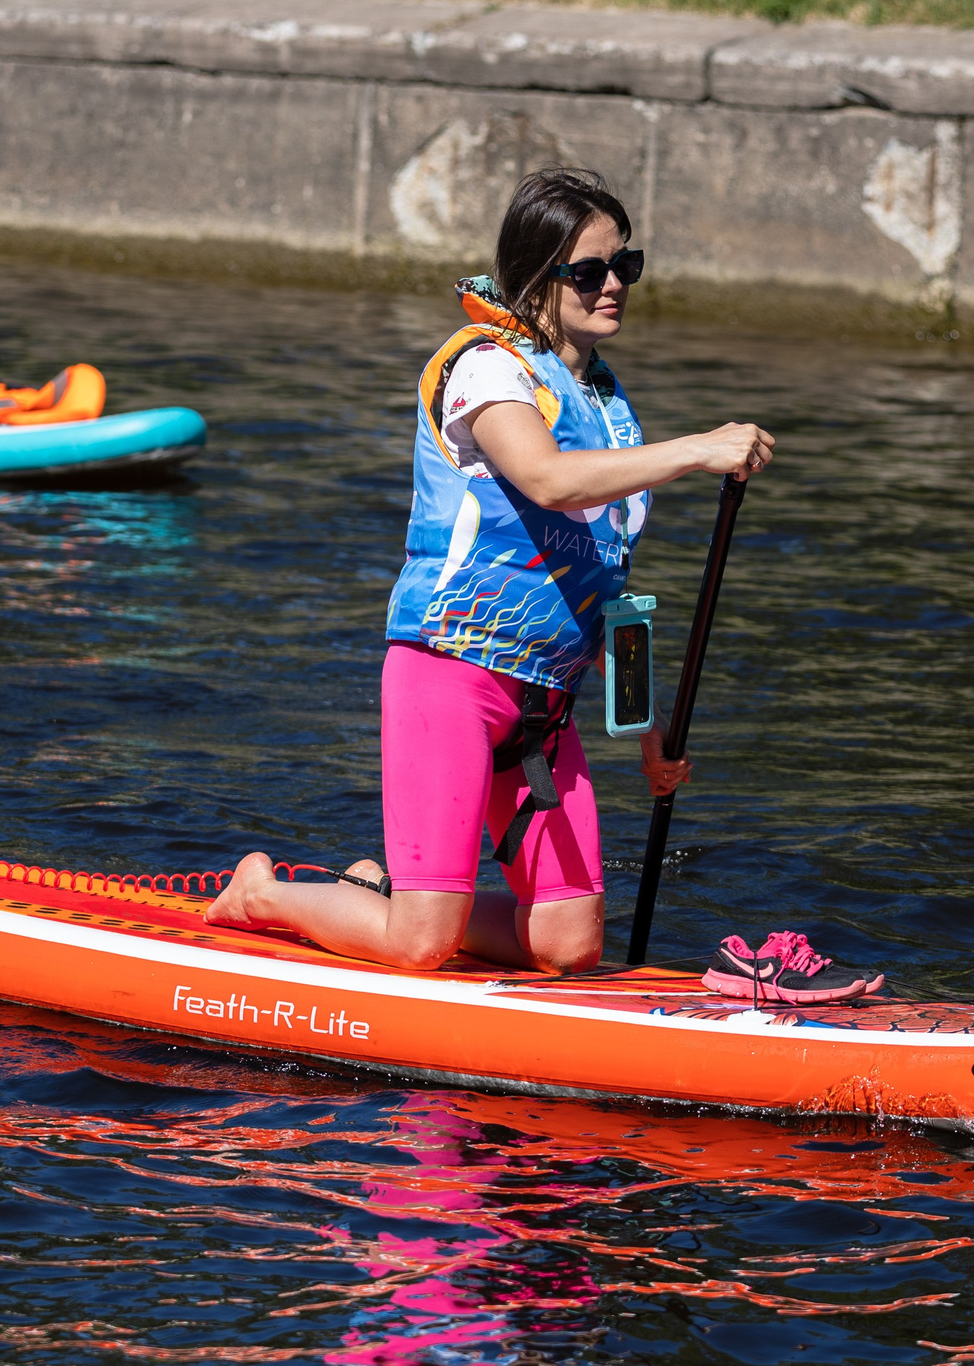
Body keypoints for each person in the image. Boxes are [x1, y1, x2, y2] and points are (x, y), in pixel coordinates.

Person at [205, 168, 774, 974]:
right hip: (451, 675)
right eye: (590, 271)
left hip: (544, 709)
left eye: (626, 265)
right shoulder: (485, 365)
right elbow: (546, 478)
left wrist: (651, 737)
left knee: (570, 946)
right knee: (421, 946)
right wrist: (697, 450)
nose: (614, 285)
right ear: (538, 277)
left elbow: (612, 594)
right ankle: (263, 894)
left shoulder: (609, 407)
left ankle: (383, 892)